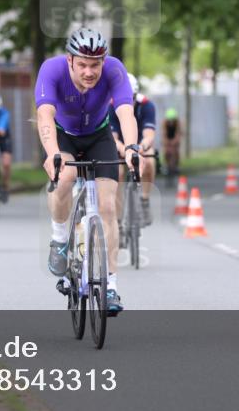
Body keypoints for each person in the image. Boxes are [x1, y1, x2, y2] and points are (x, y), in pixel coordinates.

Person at [35, 27, 141, 316]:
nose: (89, 71)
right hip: (64, 136)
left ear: (104, 62)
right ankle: (59, 238)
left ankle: (110, 286)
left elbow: (125, 112)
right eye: (82, 64)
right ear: (70, 60)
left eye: (95, 65)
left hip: (99, 136)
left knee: (107, 206)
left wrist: (131, 147)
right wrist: (52, 152)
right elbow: (45, 113)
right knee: (65, 177)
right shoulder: (52, 70)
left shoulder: (115, 70)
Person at [110, 73, 157, 225]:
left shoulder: (147, 105)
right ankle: (118, 220)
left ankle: (144, 199)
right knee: (118, 172)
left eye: (131, 98)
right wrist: (124, 149)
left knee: (149, 161)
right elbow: (113, 137)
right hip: (120, 146)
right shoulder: (111, 107)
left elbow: (149, 135)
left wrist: (141, 147)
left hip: (139, 145)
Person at [162, 107, 181, 182]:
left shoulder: (178, 123)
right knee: (166, 151)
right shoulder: (164, 123)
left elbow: (178, 134)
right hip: (168, 137)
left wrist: (175, 142)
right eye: (170, 120)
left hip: (174, 137)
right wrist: (166, 143)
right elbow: (164, 134)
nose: (171, 122)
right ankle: (166, 165)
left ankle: (176, 165)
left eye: (173, 120)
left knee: (175, 151)